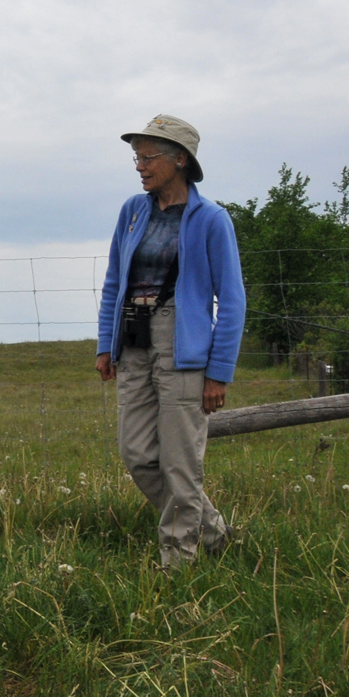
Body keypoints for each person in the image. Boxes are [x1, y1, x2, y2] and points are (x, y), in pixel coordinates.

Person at [96, 115, 244, 566]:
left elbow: (233, 301)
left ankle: (178, 564)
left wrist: (218, 373)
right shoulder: (133, 211)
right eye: (136, 157)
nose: (140, 166)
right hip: (133, 339)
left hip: (182, 342)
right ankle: (215, 533)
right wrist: (106, 343)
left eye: (148, 157)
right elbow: (113, 282)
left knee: (180, 462)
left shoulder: (212, 219)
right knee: (138, 453)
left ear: (180, 159)